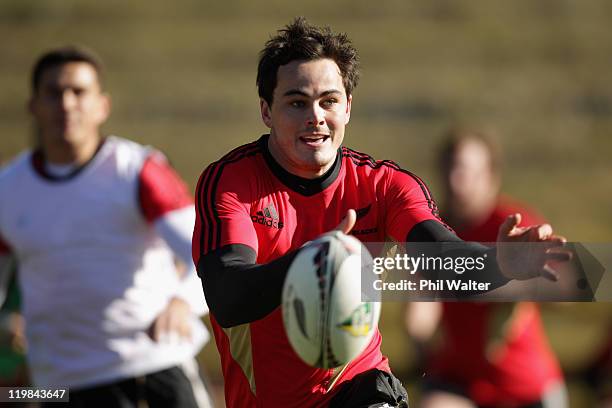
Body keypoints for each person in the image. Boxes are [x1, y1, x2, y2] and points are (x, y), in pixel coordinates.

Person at [192, 18, 568, 408]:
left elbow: (440, 253)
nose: (316, 116)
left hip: (359, 389)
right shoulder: (231, 181)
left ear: (348, 107)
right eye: (297, 102)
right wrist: (310, 262)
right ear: (266, 111)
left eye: (329, 101)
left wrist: (497, 265)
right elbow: (228, 296)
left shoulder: (385, 185)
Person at [0, 46, 212, 408]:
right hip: (59, 387)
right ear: (33, 106)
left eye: (79, 92)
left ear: (102, 105)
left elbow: (208, 251)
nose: (67, 104)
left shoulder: (139, 170)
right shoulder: (8, 188)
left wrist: (184, 300)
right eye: (53, 93)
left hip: (152, 368)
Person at [405, 128, 568, 408]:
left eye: (467, 172)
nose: (457, 182)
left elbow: (565, 289)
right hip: (459, 381)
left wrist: (519, 285)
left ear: (491, 176)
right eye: (451, 170)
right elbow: (420, 313)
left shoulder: (512, 224)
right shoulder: (432, 232)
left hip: (525, 385)